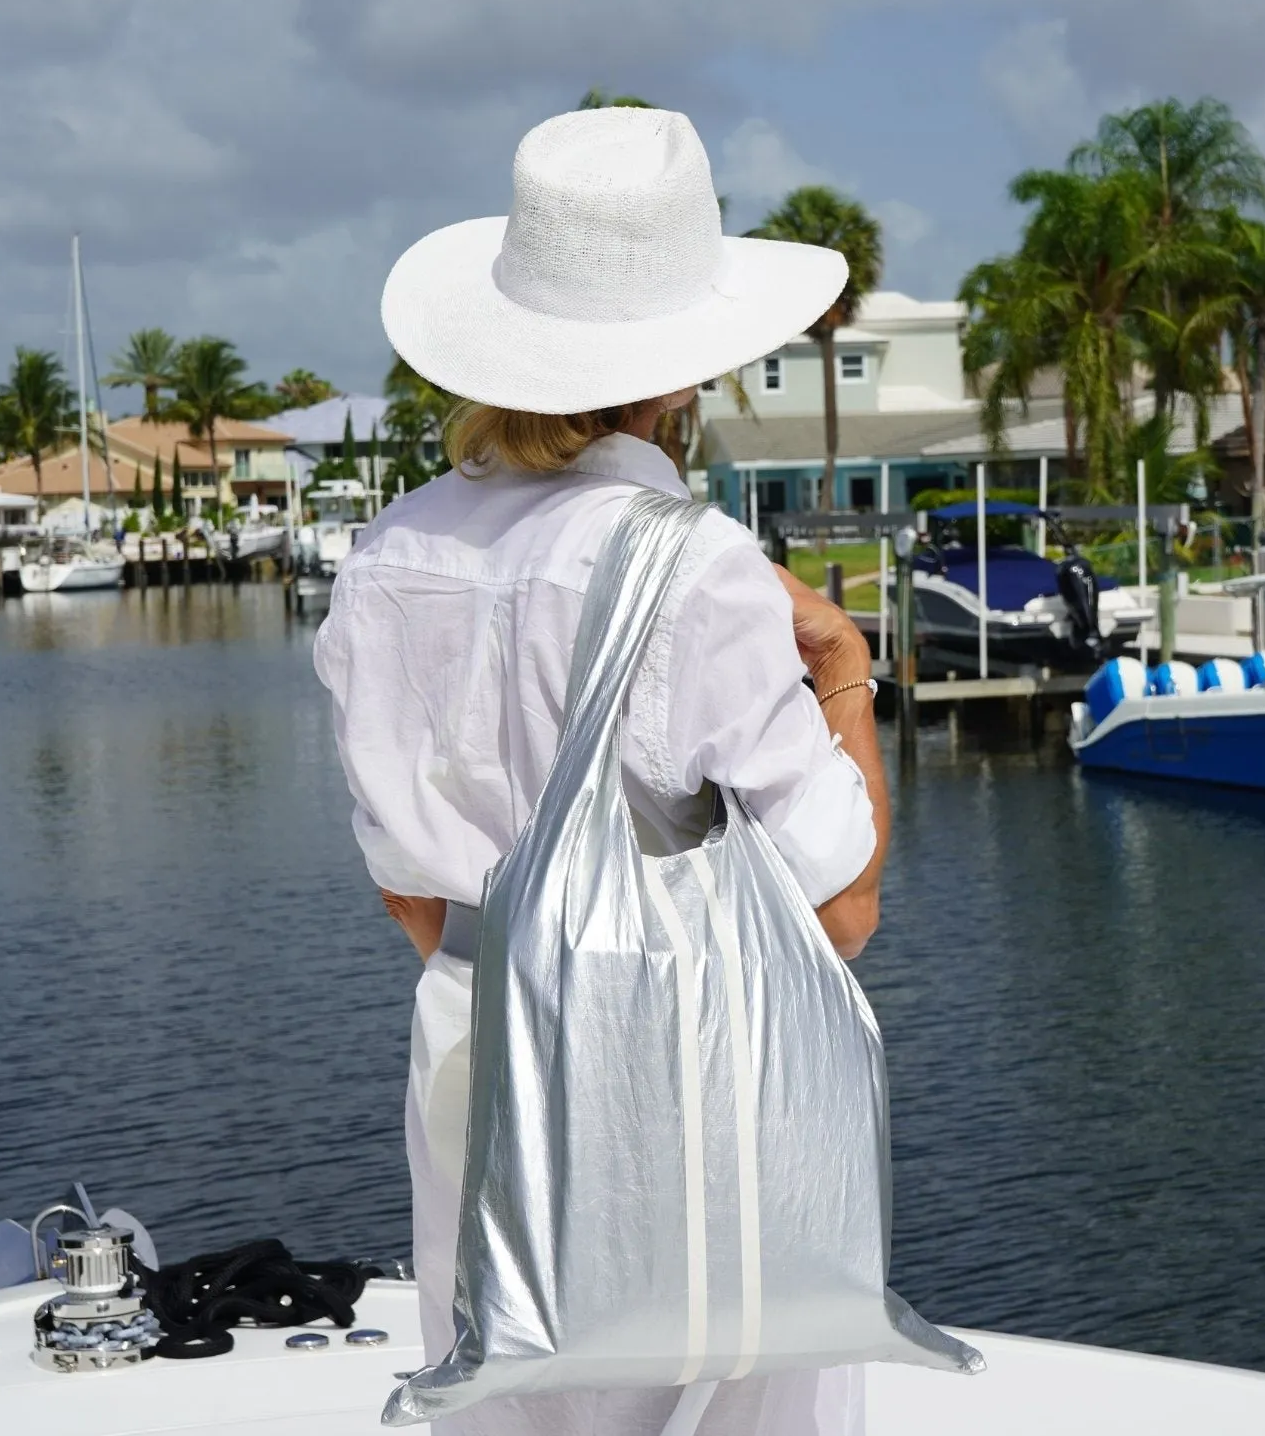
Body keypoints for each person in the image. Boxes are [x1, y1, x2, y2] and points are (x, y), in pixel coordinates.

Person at [313, 106, 889, 1436]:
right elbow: (842, 911)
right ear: (678, 380)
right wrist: (846, 667)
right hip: (688, 1065)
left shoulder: (389, 558)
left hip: (475, 1038)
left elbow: (411, 902)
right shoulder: (694, 568)